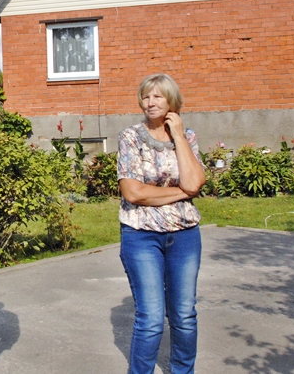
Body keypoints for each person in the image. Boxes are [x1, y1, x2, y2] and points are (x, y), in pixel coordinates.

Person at [116, 73, 206, 374]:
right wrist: (182, 192)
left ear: (171, 101)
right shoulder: (130, 137)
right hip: (141, 236)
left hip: (184, 236)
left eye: (157, 96)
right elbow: (133, 192)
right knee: (152, 317)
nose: (150, 102)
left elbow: (196, 181)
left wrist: (178, 135)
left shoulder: (188, 136)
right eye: (146, 95)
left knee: (183, 315)